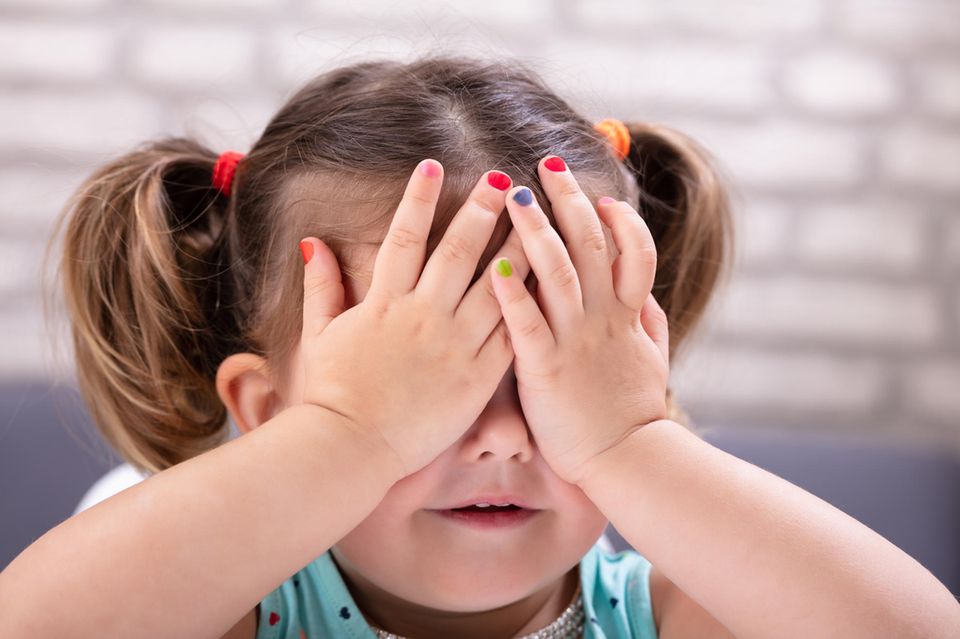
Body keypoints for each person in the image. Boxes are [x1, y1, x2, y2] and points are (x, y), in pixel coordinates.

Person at [2, 55, 958, 639]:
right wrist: (349, 435)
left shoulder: (674, 611)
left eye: (554, 378)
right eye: (423, 387)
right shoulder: (230, 603)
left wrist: (629, 444)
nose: (502, 437)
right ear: (266, 413)